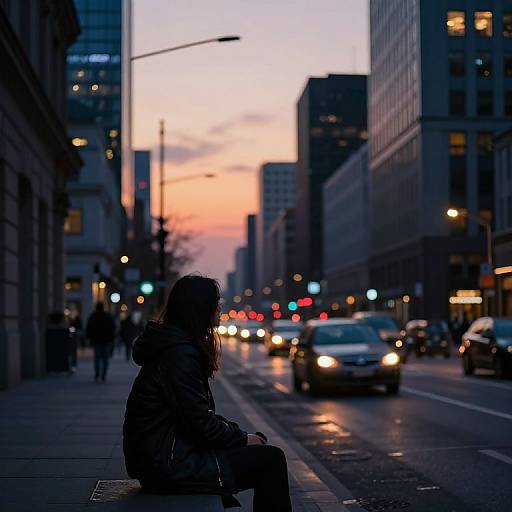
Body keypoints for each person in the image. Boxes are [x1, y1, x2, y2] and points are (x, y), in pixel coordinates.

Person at [123, 275, 292, 511]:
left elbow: (195, 416)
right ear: (200, 308)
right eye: (216, 301)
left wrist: (240, 436)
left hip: (159, 456)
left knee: (261, 449)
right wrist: (243, 439)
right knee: (271, 460)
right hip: (166, 463)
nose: (220, 307)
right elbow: (200, 424)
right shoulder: (180, 355)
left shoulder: (175, 347)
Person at [86, 302, 116, 382]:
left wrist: (89, 338)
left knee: (97, 358)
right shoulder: (107, 316)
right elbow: (113, 328)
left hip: (96, 340)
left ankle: (97, 374)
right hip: (106, 340)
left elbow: (89, 328)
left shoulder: (93, 316)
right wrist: (112, 338)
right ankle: (103, 375)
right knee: (105, 358)